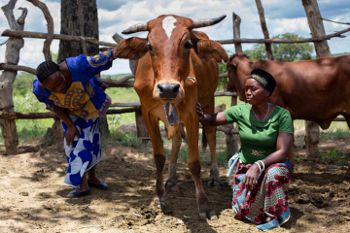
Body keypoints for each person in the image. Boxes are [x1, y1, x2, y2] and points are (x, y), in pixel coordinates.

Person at [196, 68, 293, 230]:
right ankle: (258, 203)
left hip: (274, 167)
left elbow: (283, 151)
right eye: (246, 89)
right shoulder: (241, 111)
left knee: (273, 174)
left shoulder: (282, 115)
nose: (247, 92)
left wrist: (259, 165)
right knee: (242, 211)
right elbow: (211, 119)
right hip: (247, 169)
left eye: (253, 89)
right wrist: (200, 115)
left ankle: (275, 214)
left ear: (267, 92)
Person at [33, 48, 118, 198]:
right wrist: (70, 126)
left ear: (61, 71)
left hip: (90, 107)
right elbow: (54, 106)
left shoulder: (77, 66)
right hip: (69, 114)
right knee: (76, 145)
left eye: (60, 82)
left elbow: (104, 58)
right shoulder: (41, 91)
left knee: (93, 143)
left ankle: (92, 178)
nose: (59, 88)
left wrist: (119, 51)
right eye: (53, 88)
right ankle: (82, 185)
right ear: (45, 86)